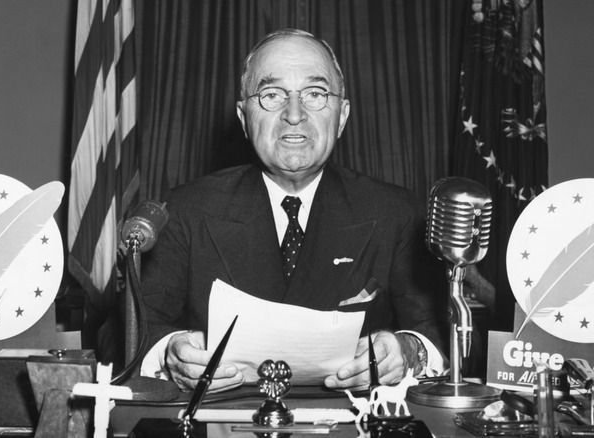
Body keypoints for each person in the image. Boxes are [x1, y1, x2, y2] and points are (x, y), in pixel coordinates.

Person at [139, 28, 450, 393]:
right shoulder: (186, 209)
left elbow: (442, 334)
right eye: (272, 95)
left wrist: (407, 352)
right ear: (243, 118)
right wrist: (169, 354)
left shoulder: (397, 212)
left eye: (315, 94)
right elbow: (127, 334)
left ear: (343, 115)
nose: (294, 114)